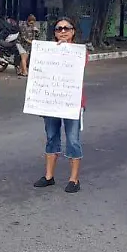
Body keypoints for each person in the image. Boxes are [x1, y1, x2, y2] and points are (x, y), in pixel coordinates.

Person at [34, 16, 86, 193]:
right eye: (58, 29)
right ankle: (49, 176)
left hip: (72, 102)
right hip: (51, 101)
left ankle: (74, 179)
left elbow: (81, 65)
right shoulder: (46, 52)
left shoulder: (79, 52)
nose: (62, 31)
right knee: (51, 136)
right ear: (54, 33)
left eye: (66, 28)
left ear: (73, 32)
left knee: (73, 139)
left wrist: (65, 50)